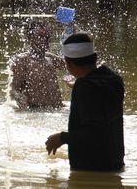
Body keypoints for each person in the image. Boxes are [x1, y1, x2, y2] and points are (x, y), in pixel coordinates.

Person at [45, 33, 125, 171]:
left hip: (91, 169)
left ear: (68, 63)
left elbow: (94, 134)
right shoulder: (114, 79)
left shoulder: (84, 87)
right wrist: (79, 83)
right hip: (114, 162)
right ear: (95, 57)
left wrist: (62, 138)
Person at [10, 21, 66, 109]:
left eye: (47, 37)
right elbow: (13, 89)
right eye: (40, 36)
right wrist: (18, 96)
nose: (45, 40)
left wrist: (75, 39)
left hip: (57, 110)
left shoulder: (50, 58)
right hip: (36, 112)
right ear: (30, 38)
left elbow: (76, 66)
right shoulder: (22, 60)